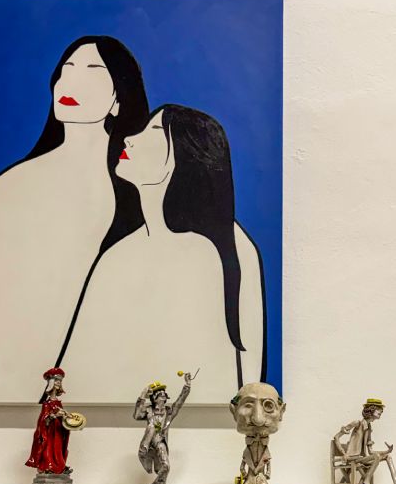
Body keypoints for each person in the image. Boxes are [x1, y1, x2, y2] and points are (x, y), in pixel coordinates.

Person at [0, 36, 149, 401]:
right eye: (65, 72)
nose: (70, 84)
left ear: (118, 100)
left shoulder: (138, 188)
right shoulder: (23, 180)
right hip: (4, 366)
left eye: (92, 72)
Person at [59, 105, 266, 402]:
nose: (129, 139)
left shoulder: (217, 248)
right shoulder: (119, 254)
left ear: (183, 156)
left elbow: (241, 377)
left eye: (153, 131)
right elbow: (75, 371)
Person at [333, 399, 396, 484]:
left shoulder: (369, 427)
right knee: (377, 457)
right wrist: (344, 453)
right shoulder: (357, 423)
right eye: (378, 409)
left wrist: (386, 451)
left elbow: (370, 451)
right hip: (352, 458)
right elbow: (336, 437)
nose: (381, 411)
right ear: (371, 410)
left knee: (388, 456)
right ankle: (366, 483)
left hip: (361, 458)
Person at [133, 373, 194, 484]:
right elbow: (136, 415)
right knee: (151, 427)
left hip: (160, 442)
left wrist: (187, 385)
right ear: (154, 398)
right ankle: (144, 453)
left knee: (166, 466)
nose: (162, 394)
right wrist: (143, 395)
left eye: (163, 393)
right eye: (159, 393)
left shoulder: (168, 412)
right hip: (149, 443)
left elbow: (179, 402)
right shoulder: (149, 410)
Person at [230, 381, 286, 484]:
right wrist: (243, 469)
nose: (258, 419)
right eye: (248, 405)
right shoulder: (248, 450)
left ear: (281, 412)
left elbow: (267, 460)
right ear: (233, 411)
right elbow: (245, 459)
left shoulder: (264, 449)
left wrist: (268, 472)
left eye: (268, 406)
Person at [26, 367, 74, 477]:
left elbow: (61, 416)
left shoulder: (58, 403)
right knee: (49, 449)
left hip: (58, 431)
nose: (58, 383)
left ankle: (59, 467)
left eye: (60, 381)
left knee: (58, 449)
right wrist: (54, 415)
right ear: (51, 383)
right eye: (56, 381)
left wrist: (66, 417)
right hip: (49, 432)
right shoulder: (46, 404)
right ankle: (48, 466)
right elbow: (43, 419)